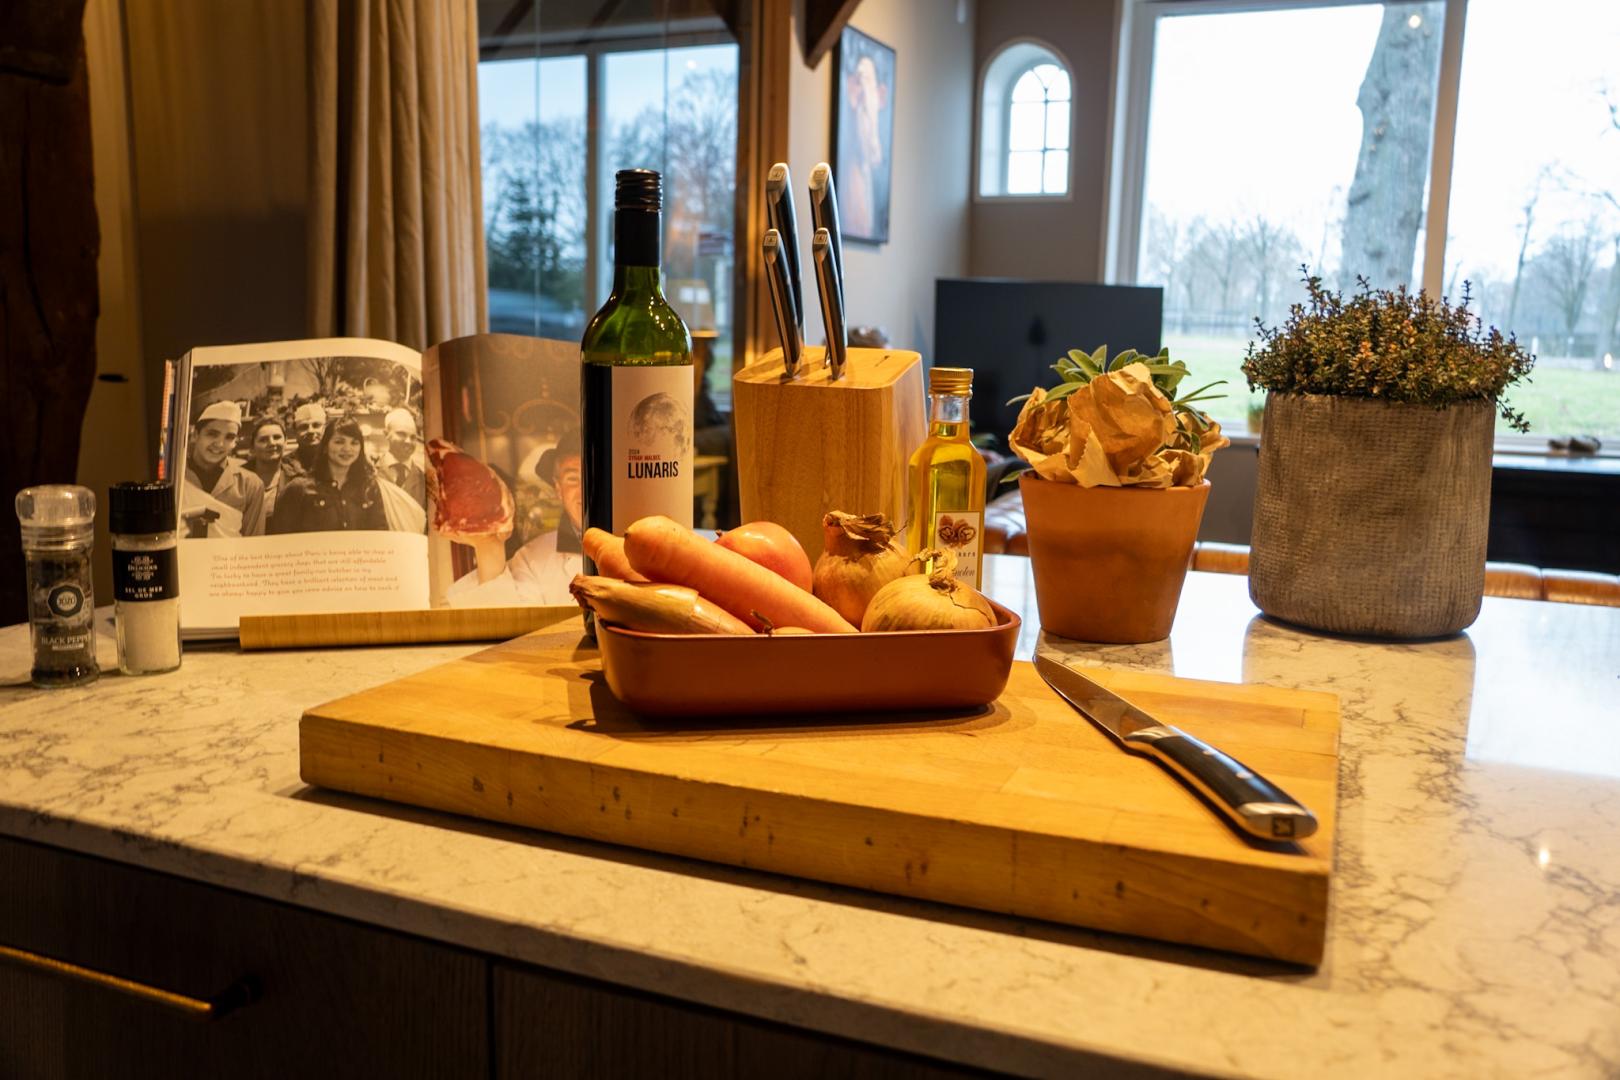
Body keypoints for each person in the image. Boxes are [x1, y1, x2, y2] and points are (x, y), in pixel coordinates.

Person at [445, 428, 583, 606]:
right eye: (573, 479)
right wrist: (488, 544)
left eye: (598, 476)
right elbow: (505, 616)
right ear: (558, 489)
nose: (585, 489)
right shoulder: (531, 559)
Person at [268, 415, 389, 533]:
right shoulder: (299, 489)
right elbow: (280, 537)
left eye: (354, 443)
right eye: (339, 442)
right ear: (325, 447)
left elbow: (380, 533)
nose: (347, 449)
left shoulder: (369, 487)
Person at [181, 401, 265, 538]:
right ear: (195, 435)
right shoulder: (176, 475)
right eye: (212, 434)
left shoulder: (250, 485)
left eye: (229, 437)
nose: (220, 444)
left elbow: (254, 541)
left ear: (234, 443)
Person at [839, 50, 889, 240]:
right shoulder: (848, 169)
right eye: (858, 82)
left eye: (867, 82)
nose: (863, 94)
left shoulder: (877, 172)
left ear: (881, 95)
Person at [380, 407, 427, 510]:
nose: (408, 441)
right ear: (386, 434)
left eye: (413, 437)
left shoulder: (423, 478)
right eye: (401, 434)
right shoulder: (371, 471)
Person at [244, 416, 289, 519]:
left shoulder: (296, 479)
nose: (272, 443)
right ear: (252, 447)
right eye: (263, 440)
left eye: (277, 437)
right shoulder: (238, 479)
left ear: (285, 442)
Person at [286, 402, 327, 477]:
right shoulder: (286, 464)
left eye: (316, 425)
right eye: (304, 427)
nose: (310, 431)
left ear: (325, 429)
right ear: (295, 432)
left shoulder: (336, 460)